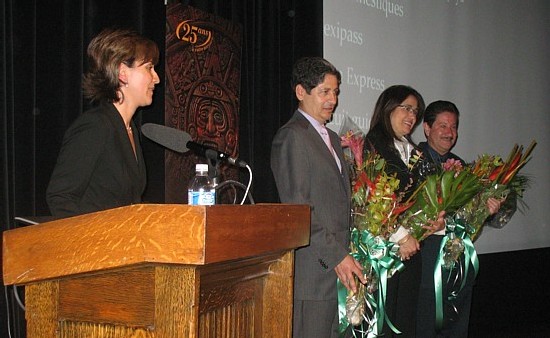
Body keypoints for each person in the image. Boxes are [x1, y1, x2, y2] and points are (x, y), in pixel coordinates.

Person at [271, 57, 366, 338]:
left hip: (339, 269)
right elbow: (298, 209)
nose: (333, 100)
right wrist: (338, 256)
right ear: (301, 92)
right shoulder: (292, 136)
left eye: (335, 92)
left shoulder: (334, 138)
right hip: (315, 272)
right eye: (325, 92)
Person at [46, 28, 160, 217]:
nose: (156, 78)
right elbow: (60, 197)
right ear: (123, 73)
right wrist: (94, 240)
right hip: (95, 243)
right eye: (149, 67)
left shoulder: (130, 129)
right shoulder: (95, 126)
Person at [363, 85, 445, 337]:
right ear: (388, 107)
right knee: (384, 324)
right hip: (384, 253)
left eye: (416, 111)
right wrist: (400, 236)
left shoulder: (416, 152)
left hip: (412, 251)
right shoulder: (371, 146)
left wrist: (436, 221)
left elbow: (428, 198)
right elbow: (370, 200)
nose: (412, 116)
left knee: (406, 322)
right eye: (406, 108)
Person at [416, 100, 502, 338]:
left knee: (456, 326)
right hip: (425, 261)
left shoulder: (463, 166)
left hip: (458, 262)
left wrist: (487, 209)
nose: (449, 132)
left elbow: (470, 219)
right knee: (425, 325)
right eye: (442, 125)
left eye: (453, 127)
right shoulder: (414, 161)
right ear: (426, 128)